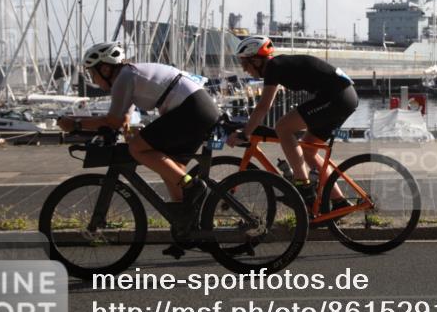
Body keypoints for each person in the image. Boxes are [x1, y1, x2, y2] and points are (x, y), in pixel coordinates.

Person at [57, 42, 220, 230]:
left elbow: (113, 121)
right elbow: (125, 119)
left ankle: (192, 186)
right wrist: (128, 134)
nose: (92, 79)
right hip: (199, 107)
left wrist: (75, 124)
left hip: (191, 108)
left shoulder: (124, 78)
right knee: (171, 167)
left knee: (137, 149)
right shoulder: (129, 74)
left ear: (105, 68)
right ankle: (186, 225)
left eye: (92, 73)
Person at [233, 35, 357, 206]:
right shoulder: (277, 67)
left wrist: (245, 133)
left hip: (336, 97)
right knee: (309, 151)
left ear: (256, 60)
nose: (245, 70)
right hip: (342, 96)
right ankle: (339, 201)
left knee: (283, 127)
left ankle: (303, 186)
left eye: (245, 64)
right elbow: (266, 105)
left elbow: (263, 106)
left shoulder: (273, 67)